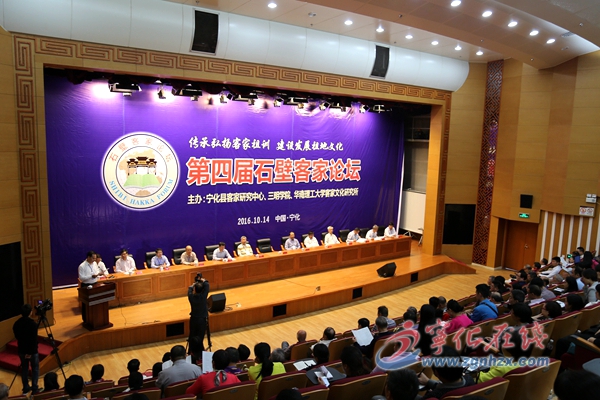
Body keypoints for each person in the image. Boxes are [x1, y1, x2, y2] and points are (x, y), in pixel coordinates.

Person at [13, 304, 40, 394]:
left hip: (22, 349)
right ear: (30, 312)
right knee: (35, 368)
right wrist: (29, 352)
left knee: (24, 368)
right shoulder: (33, 324)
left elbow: (17, 336)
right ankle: (35, 388)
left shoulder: (16, 323)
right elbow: (33, 340)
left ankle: (25, 387)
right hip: (32, 351)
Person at [188, 277, 210, 351]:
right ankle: (200, 351)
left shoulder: (191, 297)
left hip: (193, 319)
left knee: (192, 335)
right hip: (202, 320)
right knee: (200, 337)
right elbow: (207, 286)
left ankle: (191, 351)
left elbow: (189, 289)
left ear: (194, 289)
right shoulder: (203, 297)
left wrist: (193, 285)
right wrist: (204, 280)